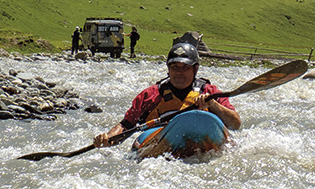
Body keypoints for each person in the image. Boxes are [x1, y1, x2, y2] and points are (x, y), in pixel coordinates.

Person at [94, 43, 240, 147]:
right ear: (168, 69)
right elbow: (126, 125)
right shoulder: (149, 96)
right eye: (174, 67)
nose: (179, 73)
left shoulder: (211, 92)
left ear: (195, 69)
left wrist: (213, 106)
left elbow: (235, 124)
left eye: (185, 68)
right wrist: (109, 137)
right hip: (161, 141)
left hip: (204, 139)